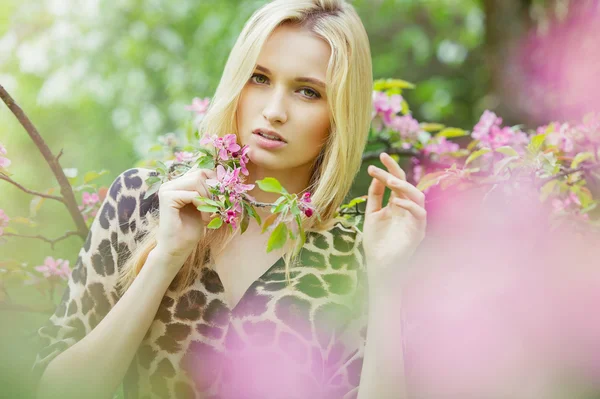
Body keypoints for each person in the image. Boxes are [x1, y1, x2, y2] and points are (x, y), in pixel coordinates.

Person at [32, 0, 427, 398]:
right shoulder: (143, 201)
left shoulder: (352, 254)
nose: (274, 111)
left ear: (340, 112)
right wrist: (164, 260)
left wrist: (387, 281)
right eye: (259, 78)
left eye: (307, 92)